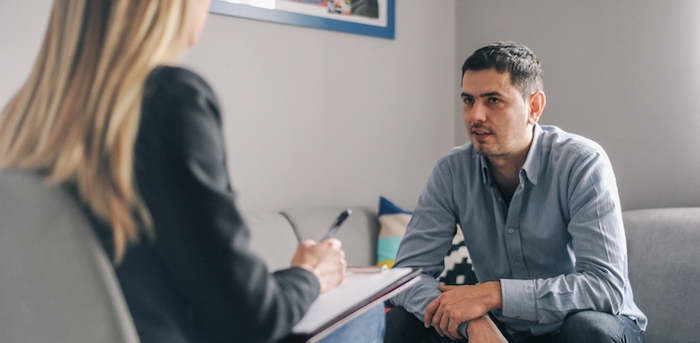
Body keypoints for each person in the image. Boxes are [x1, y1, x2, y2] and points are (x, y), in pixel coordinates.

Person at [0, 0, 384, 342]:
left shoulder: (20, 126)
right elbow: (251, 321)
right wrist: (312, 275)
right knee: (363, 313)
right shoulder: (167, 104)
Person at [385, 42, 646, 343]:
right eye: (468, 100)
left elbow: (604, 288)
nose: (476, 116)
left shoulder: (582, 163)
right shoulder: (451, 172)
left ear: (533, 107)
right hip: (500, 331)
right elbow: (406, 277)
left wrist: (494, 293)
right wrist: (472, 322)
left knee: (589, 330)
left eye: (493, 100)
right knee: (403, 323)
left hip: (578, 326)